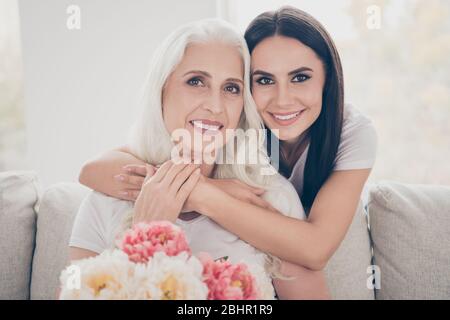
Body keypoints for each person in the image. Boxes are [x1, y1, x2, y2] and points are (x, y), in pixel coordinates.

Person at [79, 6, 377, 283]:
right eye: (263, 80)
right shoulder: (245, 121)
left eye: (300, 77)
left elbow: (314, 249)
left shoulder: (345, 137)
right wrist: (193, 189)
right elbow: (93, 170)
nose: (283, 99)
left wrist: (196, 193)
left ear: (328, 80)